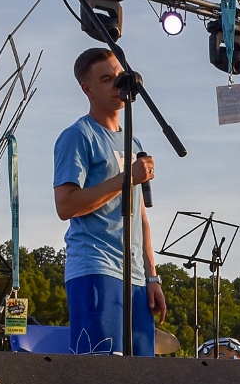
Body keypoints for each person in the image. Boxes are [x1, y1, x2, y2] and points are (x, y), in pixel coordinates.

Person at [53, 48, 166, 355]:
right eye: (106, 79)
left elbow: (140, 217)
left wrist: (152, 276)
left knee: (142, 374)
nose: (117, 84)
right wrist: (126, 178)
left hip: (136, 276)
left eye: (119, 75)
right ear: (87, 89)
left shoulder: (133, 142)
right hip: (96, 267)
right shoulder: (78, 135)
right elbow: (66, 206)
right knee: (103, 371)